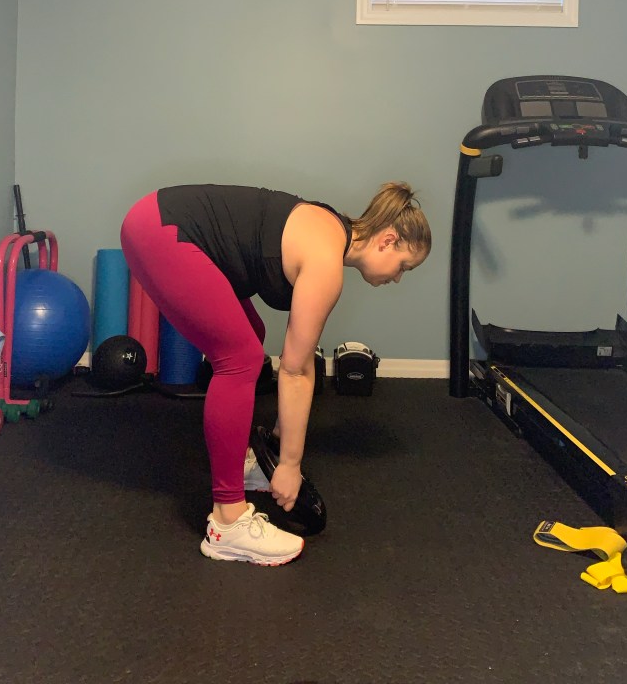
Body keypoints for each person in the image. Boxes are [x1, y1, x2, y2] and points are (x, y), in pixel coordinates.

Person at [120, 182, 431, 566]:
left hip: (161, 220)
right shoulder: (326, 261)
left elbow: (300, 358)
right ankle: (227, 523)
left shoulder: (330, 230)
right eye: (404, 267)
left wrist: (282, 442)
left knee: (250, 336)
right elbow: (296, 370)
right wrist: (289, 465)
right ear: (388, 241)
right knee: (241, 358)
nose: (398, 278)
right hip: (161, 229)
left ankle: (238, 462)